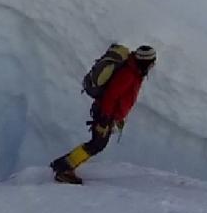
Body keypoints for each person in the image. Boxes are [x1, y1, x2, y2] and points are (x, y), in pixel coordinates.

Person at [51, 44, 156, 184]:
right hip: (104, 114)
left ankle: (62, 165)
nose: (153, 65)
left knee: (97, 144)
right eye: (152, 62)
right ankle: (64, 168)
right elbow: (111, 96)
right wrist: (104, 120)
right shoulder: (129, 74)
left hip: (108, 114)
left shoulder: (135, 72)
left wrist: (118, 117)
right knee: (97, 144)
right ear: (146, 61)